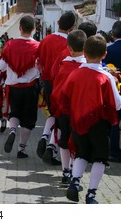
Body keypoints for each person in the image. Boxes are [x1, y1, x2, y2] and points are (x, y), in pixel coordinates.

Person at [61, 35, 121, 204]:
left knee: (81, 153)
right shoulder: (106, 77)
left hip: (78, 121)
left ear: (84, 53)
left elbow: (65, 97)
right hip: (98, 124)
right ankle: (91, 194)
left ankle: (74, 182)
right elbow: (116, 104)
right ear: (105, 55)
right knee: (100, 157)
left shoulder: (75, 73)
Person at [0, 15, 40, 158]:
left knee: (14, 113)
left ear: (20, 28)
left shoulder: (9, 45)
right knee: (28, 120)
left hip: (13, 88)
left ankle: (13, 130)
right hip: (30, 88)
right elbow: (41, 68)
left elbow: (2, 66)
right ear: (34, 29)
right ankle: (21, 149)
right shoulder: (38, 47)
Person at [49, 30, 87, 185]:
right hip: (81, 113)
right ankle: (75, 175)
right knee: (79, 144)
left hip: (64, 110)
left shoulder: (63, 65)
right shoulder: (88, 67)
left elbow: (56, 86)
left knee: (64, 141)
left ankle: (66, 171)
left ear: (69, 48)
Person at [36, 11, 75, 162]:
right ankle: (52, 147)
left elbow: (39, 62)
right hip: (64, 85)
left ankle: (47, 137)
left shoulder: (46, 40)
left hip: (48, 83)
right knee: (62, 117)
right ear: (72, 27)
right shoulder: (71, 45)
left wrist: (43, 81)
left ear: (58, 22)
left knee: (53, 114)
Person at [102, 21, 121, 161]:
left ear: (113, 35)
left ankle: (114, 150)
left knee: (115, 121)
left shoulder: (110, 51)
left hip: (115, 89)